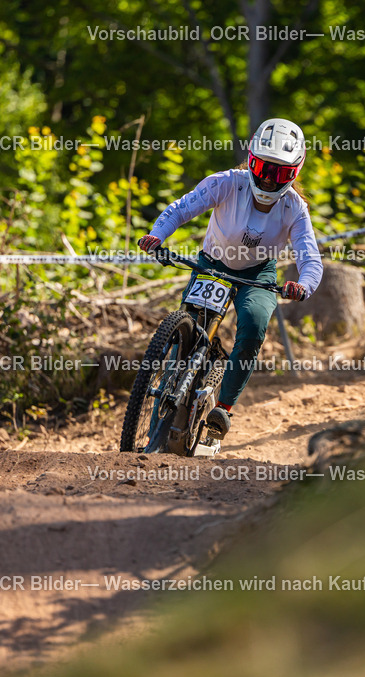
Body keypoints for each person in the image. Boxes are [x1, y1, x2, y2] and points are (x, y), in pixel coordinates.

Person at [138, 118, 323, 439]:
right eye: (263, 169)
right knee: (185, 331)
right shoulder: (226, 183)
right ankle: (159, 415)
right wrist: (157, 234)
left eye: (279, 174)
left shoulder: (295, 207)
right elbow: (181, 208)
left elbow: (310, 257)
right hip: (212, 264)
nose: (267, 181)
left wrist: (304, 285)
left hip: (257, 274)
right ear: (250, 160)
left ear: (295, 174)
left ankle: (223, 408)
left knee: (252, 326)